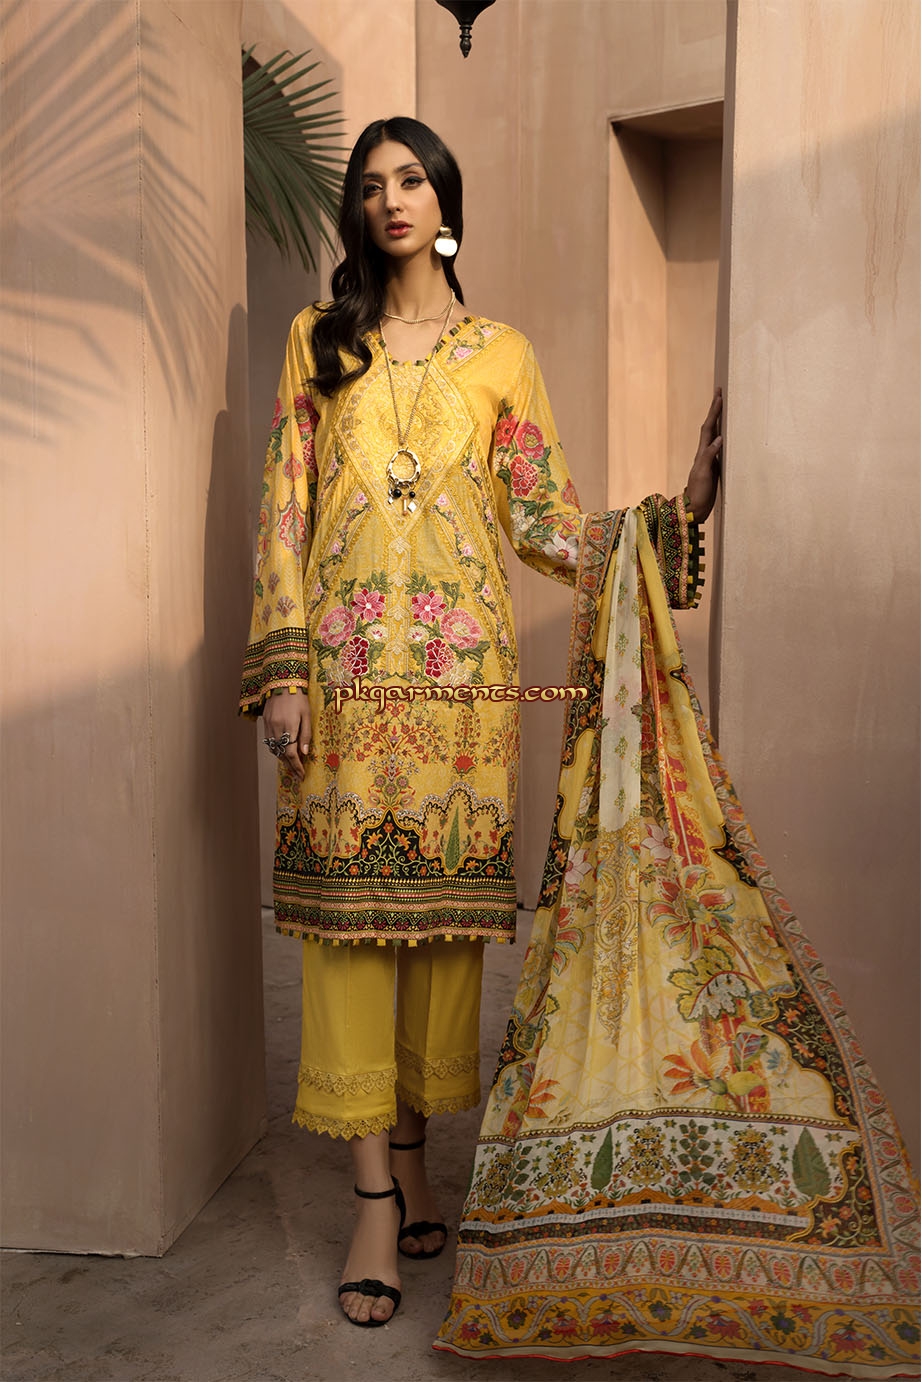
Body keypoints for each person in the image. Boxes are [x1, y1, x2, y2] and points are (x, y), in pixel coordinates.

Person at [239, 116, 720, 1329]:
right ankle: (371, 1200)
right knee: (351, 939)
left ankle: (410, 1160)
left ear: (445, 201)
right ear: (357, 211)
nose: (391, 200)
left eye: (411, 180)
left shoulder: (501, 354)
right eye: (371, 186)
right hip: (345, 685)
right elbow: (283, 507)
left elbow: (544, 520)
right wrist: (284, 667)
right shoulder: (318, 339)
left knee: (436, 941)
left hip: (460, 694)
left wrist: (669, 516)